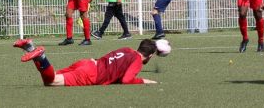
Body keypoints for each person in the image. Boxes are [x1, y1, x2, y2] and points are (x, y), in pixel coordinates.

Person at [14, 38, 160, 86]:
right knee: (52, 81)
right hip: (90, 74)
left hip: (89, 63)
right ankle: (41, 56)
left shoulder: (127, 49)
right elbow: (127, 80)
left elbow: (109, 59)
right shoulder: (137, 61)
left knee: (51, 77)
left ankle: (30, 47)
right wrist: (144, 81)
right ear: (151, 55)